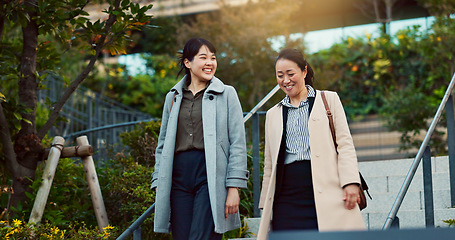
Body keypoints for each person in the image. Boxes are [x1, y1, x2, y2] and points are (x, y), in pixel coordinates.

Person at [257, 48, 365, 239]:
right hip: (285, 196)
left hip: (324, 190)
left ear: (304, 71)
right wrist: (266, 204)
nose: (285, 80)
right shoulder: (273, 113)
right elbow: (269, 163)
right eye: (280, 75)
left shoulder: (328, 99)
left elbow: (345, 145)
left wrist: (351, 182)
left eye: (291, 74)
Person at [150, 38, 249, 240]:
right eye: (203, 57)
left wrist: (234, 187)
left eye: (213, 58)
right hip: (178, 176)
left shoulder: (227, 94)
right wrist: (159, 180)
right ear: (188, 62)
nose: (210, 63)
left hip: (210, 174)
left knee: (202, 235)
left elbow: (238, 143)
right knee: (182, 236)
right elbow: (162, 144)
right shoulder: (173, 97)